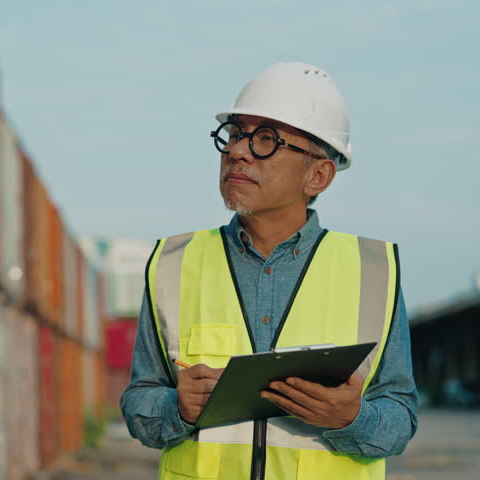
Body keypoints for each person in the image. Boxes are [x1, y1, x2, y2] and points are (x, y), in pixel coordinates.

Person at [120, 62, 418, 480]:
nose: (237, 151)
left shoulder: (373, 272)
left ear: (318, 175)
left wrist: (353, 419)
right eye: (235, 135)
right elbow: (139, 400)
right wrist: (175, 408)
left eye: (266, 140)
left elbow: (400, 416)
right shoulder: (174, 263)